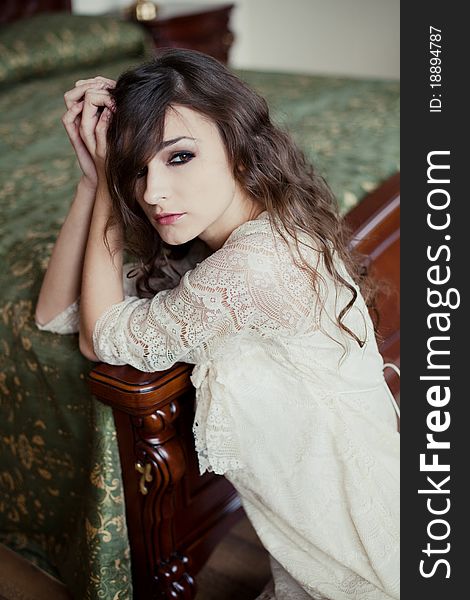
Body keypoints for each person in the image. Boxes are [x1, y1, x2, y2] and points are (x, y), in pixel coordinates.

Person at [35, 49, 400, 600]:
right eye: (136, 169)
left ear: (239, 148)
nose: (152, 193)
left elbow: (98, 337)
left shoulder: (258, 264)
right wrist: (92, 181)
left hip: (372, 563)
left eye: (178, 157)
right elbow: (57, 314)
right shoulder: (225, 239)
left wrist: (110, 186)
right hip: (326, 553)